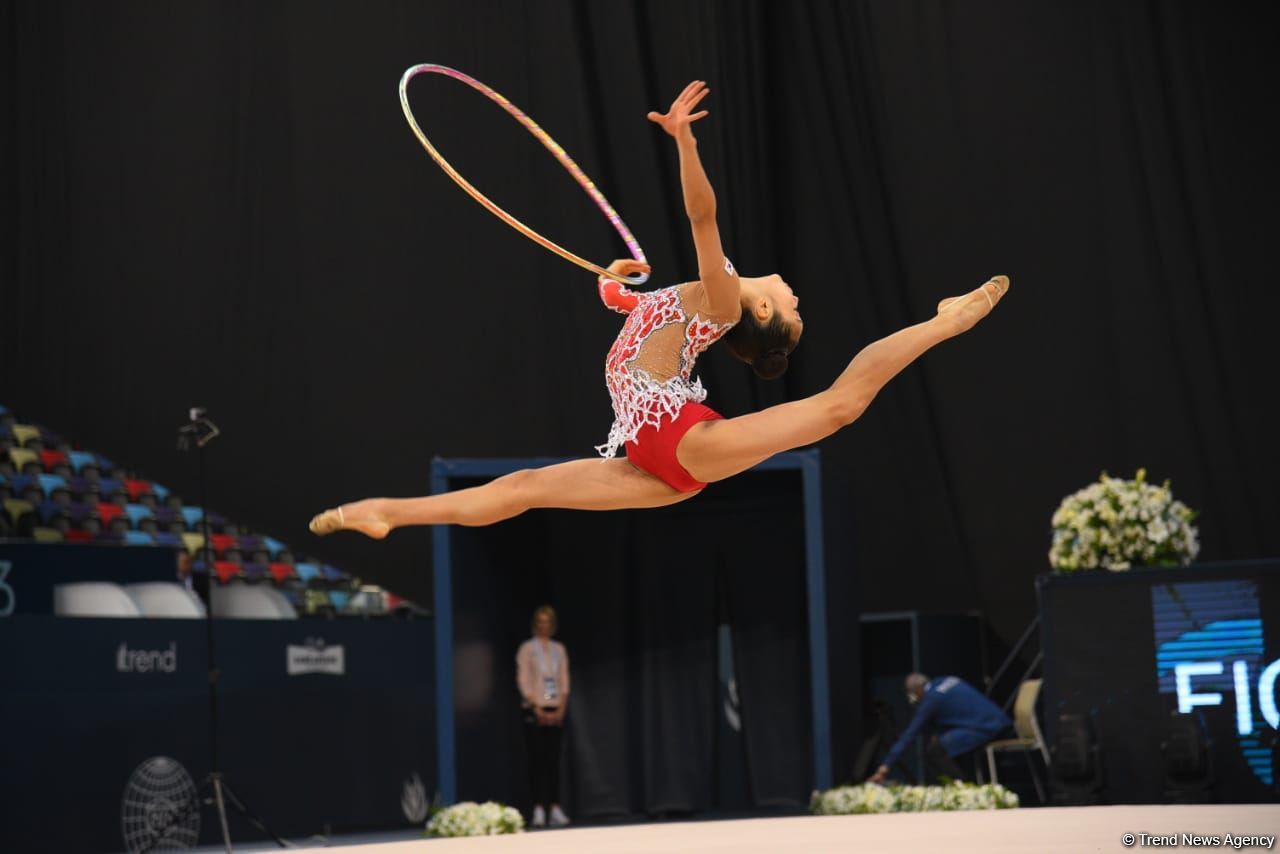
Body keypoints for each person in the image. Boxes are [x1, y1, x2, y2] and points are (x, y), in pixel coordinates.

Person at [308, 80, 1008, 537]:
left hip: (680, 441)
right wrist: (614, 285)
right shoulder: (692, 303)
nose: (794, 292)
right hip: (652, 462)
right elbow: (627, 307)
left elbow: (703, 218)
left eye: (790, 306)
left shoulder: (724, 298)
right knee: (520, 488)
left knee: (837, 408)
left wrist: (685, 143)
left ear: (760, 309)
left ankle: (944, 320)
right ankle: (385, 514)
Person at [868, 673, 1012, 784]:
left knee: (934, 751)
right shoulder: (947, 680)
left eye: (911, 693)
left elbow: (909, 734)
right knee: (945, 744)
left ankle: (962, 788)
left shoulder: (931, 700)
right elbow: (957, 712)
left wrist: (886, 766)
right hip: (999, 722)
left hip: (985, 728)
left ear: (917, 691)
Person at [516, 605, 570, 827]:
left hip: (555, 708)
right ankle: (538, 808)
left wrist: (561, 708)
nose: (544, 627)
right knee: (537, 760)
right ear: (535, 625)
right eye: (540, 623)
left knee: (553, 760)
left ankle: (555, 807)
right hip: (534, 709)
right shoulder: (528, 649)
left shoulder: (559, 649)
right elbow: (523, 678)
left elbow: (563, 680)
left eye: (548, 622)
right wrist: (535, 706)